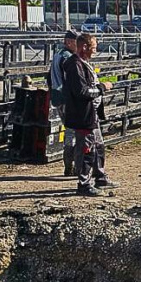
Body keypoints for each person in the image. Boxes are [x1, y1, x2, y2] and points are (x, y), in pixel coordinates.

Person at [63, 33, 119, 196]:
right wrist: (102, 88)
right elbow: (81, 92)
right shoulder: (74, 65)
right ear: (84, 47)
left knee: (98, 146)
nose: (95, 51)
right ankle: (84, 183)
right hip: (82, 114)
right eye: (93, 48)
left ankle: (99, 176)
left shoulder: (83, 63)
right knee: (86, 148)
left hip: (90, 113)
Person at [49, 29, 79, 176]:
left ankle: (69, 165)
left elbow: (49, 77)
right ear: (68, 42)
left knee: (69, 130)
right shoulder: (68, 58)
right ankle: (71, 165)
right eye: (76, 42)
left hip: (58, 96)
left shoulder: (57, 55)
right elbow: (72, 80)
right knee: (72, 132)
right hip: (67, 97)